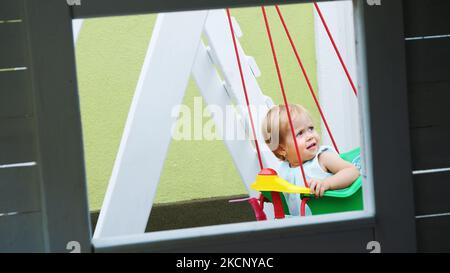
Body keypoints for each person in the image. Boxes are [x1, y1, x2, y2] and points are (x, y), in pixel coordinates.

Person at [261, 104, 360, 216]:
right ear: (282, 149)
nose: (310, 136)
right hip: (301, 224)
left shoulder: (322, 158)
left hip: (330, 218)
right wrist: (272, 196)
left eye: (311, 128)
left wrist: (327, 184)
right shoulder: (283, 170)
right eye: (300, 133)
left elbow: (353, 171)